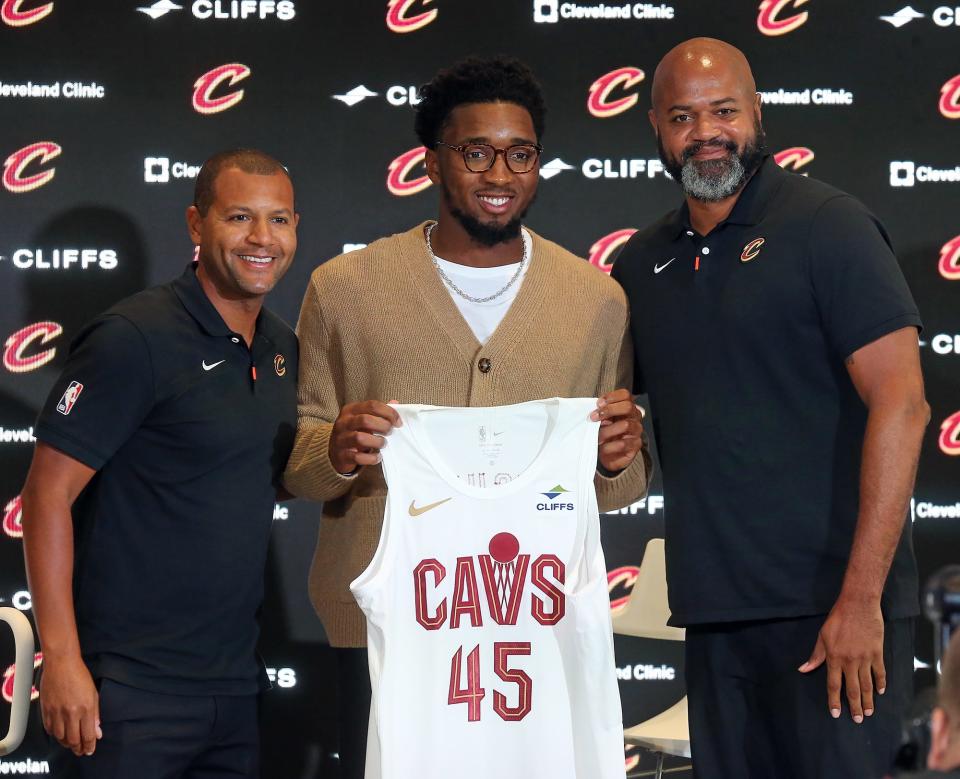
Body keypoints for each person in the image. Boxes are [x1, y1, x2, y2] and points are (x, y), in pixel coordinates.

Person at [282, 55, 649, 779]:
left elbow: (616, 486)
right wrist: (340, 449)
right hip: (385, 626)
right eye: (476, 153)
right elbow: (299, 462)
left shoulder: (596, 299)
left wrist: (620, 455)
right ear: (432, 162)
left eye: (520, 154)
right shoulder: (345, 288)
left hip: (533, 629)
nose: (500, 174)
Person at [611, 38, 929, 779]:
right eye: (683, 116)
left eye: (724, 110)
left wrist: (860, 600)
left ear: (758, 113)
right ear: (656, 128)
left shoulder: (829, 226)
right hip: (715, 617)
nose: (706, 132)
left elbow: (904, 405)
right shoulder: (640, 263)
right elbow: (629, 419)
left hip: (832, 610)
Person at [20, 148, 299, 778]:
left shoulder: (283, 348)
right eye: (239, 219)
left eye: (279, 220)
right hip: (127, 693)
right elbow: (45, 497)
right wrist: (61, 659)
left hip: (233, 687)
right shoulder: (134, 337)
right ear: (196, 225)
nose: (262, 239)